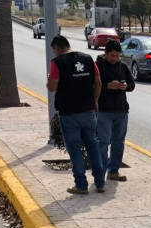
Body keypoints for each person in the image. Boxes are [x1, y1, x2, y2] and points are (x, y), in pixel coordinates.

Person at [47, 35, 105, 194]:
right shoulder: (87, 59)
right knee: (93, 145)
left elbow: (52, 87)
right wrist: (96, 101)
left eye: (54, 50)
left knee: (74, 149)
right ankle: (100, 182)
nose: (54, 54)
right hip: (88, 111)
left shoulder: (57, 63)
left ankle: (81, 185)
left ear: (57, 47)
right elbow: (98, 82)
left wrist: (49, 80)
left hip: (69, 113)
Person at [95, 40, 135, 183]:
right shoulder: (97, 66)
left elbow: (132, 85)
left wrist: (125, 86)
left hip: (121, 110)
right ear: (105, 53)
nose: (115, 59)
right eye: (112, 55)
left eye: (118, 56)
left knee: (119, 142)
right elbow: (91, 86)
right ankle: (100, 174)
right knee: (103, 143)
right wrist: (107, 86)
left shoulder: (122, 66)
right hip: (103, 111)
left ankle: (113, 171)